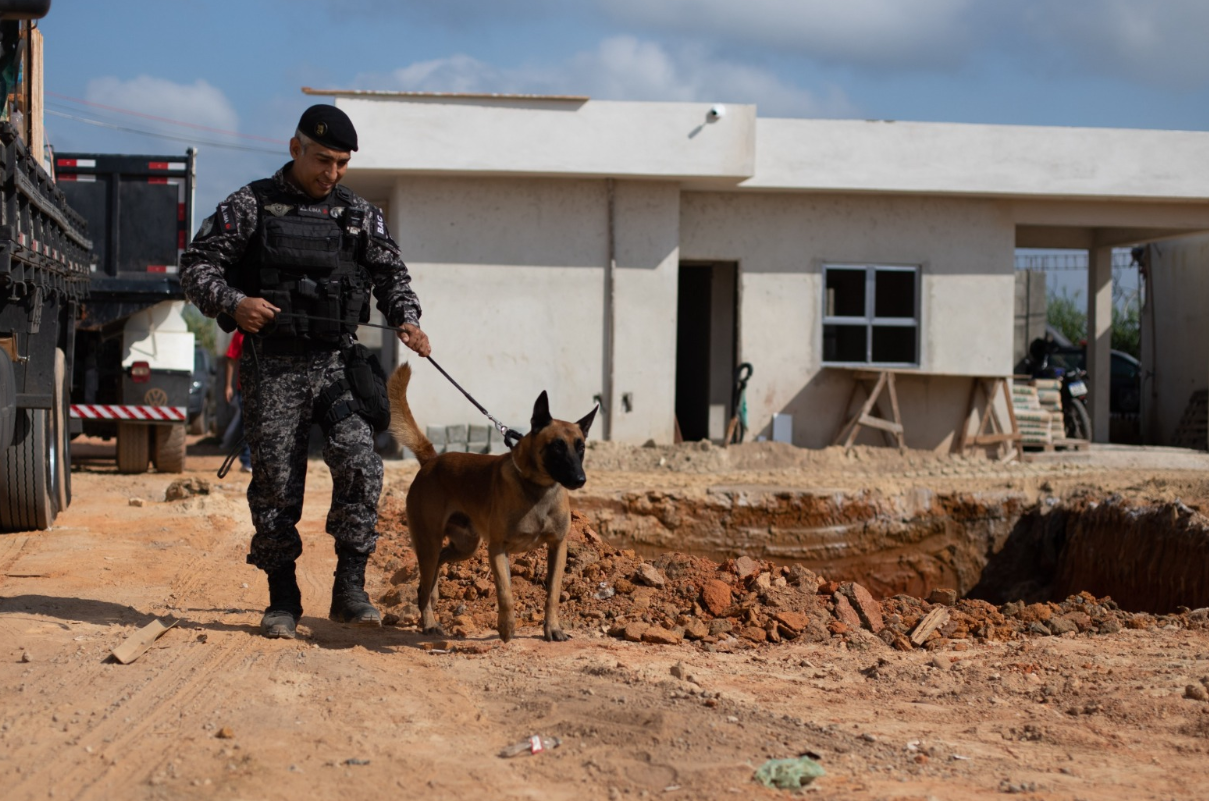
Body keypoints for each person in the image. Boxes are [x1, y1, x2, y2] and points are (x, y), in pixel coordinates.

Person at [180, 104, 431, 640]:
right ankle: (282, 597)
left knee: (361, 461)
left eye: (341, 163)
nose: (331, 173)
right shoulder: (251, 205)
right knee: (274, 484)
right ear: (295, 148)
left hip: (337, 363)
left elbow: (391, 273)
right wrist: (234, 302)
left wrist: (407, 318)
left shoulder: (359, 214)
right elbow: (197, 266)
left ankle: (350, 587)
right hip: (273, 367)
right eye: (323, 160)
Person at [221, 330, 252, 473]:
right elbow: (231, 358)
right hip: (244, 388)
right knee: (248, 424)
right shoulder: (241, 333)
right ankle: (247, 461)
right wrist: (228, 386)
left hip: (267, 388)